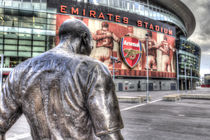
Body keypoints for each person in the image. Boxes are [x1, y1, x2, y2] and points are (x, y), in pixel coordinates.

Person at [0, 19, 124, 140]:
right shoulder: (94, 69)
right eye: (91, 43)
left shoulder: (20, 71)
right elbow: (110, 135)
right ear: (85, 38)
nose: (91, 48)